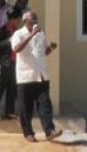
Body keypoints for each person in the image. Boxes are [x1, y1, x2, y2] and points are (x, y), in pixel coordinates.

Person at [11, 11, 62, 142]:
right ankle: (28, 133)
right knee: (25, 108)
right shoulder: (18, 34)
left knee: (45, 105)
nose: (35, 22)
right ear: (25, 21)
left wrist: (51, 47)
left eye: (36, 19)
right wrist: (31, 36)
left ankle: (50, 131)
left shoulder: (41, 34)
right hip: (25, 76)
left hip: (41, 75)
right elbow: (16, 49)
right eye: (32, 20)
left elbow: (44, 52)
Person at [0, 10, 21, 120]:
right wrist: (9, 41)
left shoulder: (18, 31)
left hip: (15, 60)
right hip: (6, 61)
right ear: (11, 19)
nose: (18, 22)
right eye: (17, 20)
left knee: (12, 87)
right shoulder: (4, 30)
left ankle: (9, 112)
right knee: (2, 86)